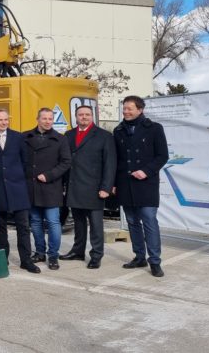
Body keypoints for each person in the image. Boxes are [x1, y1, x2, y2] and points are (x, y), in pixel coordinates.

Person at [113, 95, 169, 277]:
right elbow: (116, 160)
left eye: (130, 108)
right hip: (125, 183)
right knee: (132, 222)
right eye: (124, 108)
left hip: (146, 183)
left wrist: (146, 171)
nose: (126, 112)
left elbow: (162, 156)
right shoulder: (118, 130)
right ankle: (139, 256)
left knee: (149, 221)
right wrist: (113, 183)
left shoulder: (154, 128)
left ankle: (155, 261)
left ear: (140, 109)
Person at [0, 108, 41, 274]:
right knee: (0, 227)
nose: (3, 123)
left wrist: (19, 179)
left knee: (23, 226)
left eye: (6, 119)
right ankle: (4, 258)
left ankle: (26, 260)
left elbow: (25, 161)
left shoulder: (18, 137)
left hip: (18, 188)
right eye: (0, 120)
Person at [60, 105, 116, 269]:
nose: (84, 117)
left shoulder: (104, 136)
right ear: (75, 117)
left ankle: (96, 254)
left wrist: (106, 187)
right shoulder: (69, 135)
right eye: (80, 115)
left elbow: (110, 164)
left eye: (87, 114)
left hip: (94, 187)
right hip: (74, 186)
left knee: (96, 225)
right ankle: (78, 251)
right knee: (78, 223)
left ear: (92, 116)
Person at [23, 108, 71, 270]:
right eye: (44, 118)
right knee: (35, 222)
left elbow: (66, 162)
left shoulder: (60, 139)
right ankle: (39, 252)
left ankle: (53, 255)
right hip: (31, 187)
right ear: (37, 119)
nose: (48, 121)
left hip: (51, 186)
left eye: (50, 118)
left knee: (53, 222)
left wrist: (49, 175)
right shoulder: (26, 137)